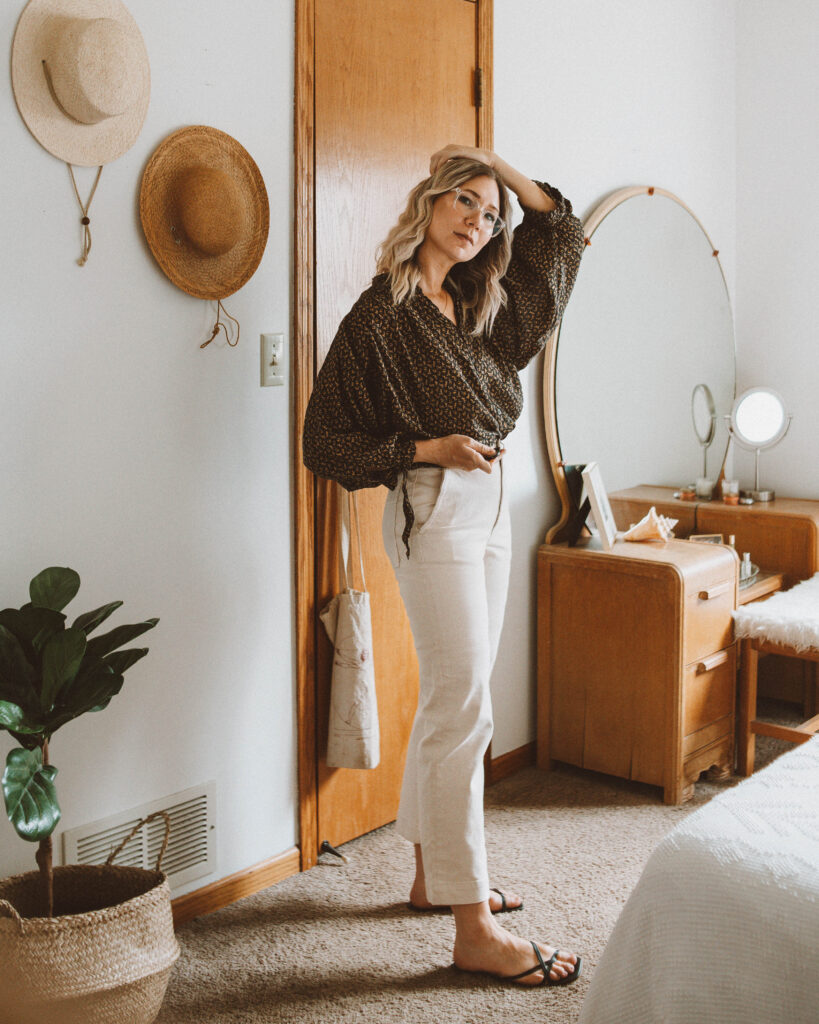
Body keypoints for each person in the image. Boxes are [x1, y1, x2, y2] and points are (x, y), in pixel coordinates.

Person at [303, 144, 585, 987]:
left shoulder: (484, 303)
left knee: (457, 700)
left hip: (495, 501)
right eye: (463, 200)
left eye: (490, 213)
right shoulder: (377, 319)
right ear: (427, 204)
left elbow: (561, 228)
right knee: (464, 708)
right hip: (434, 504)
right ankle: (471, 930)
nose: (478, 220)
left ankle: (431, 878)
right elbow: (324, 440)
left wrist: (490, 161)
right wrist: (426, 445)